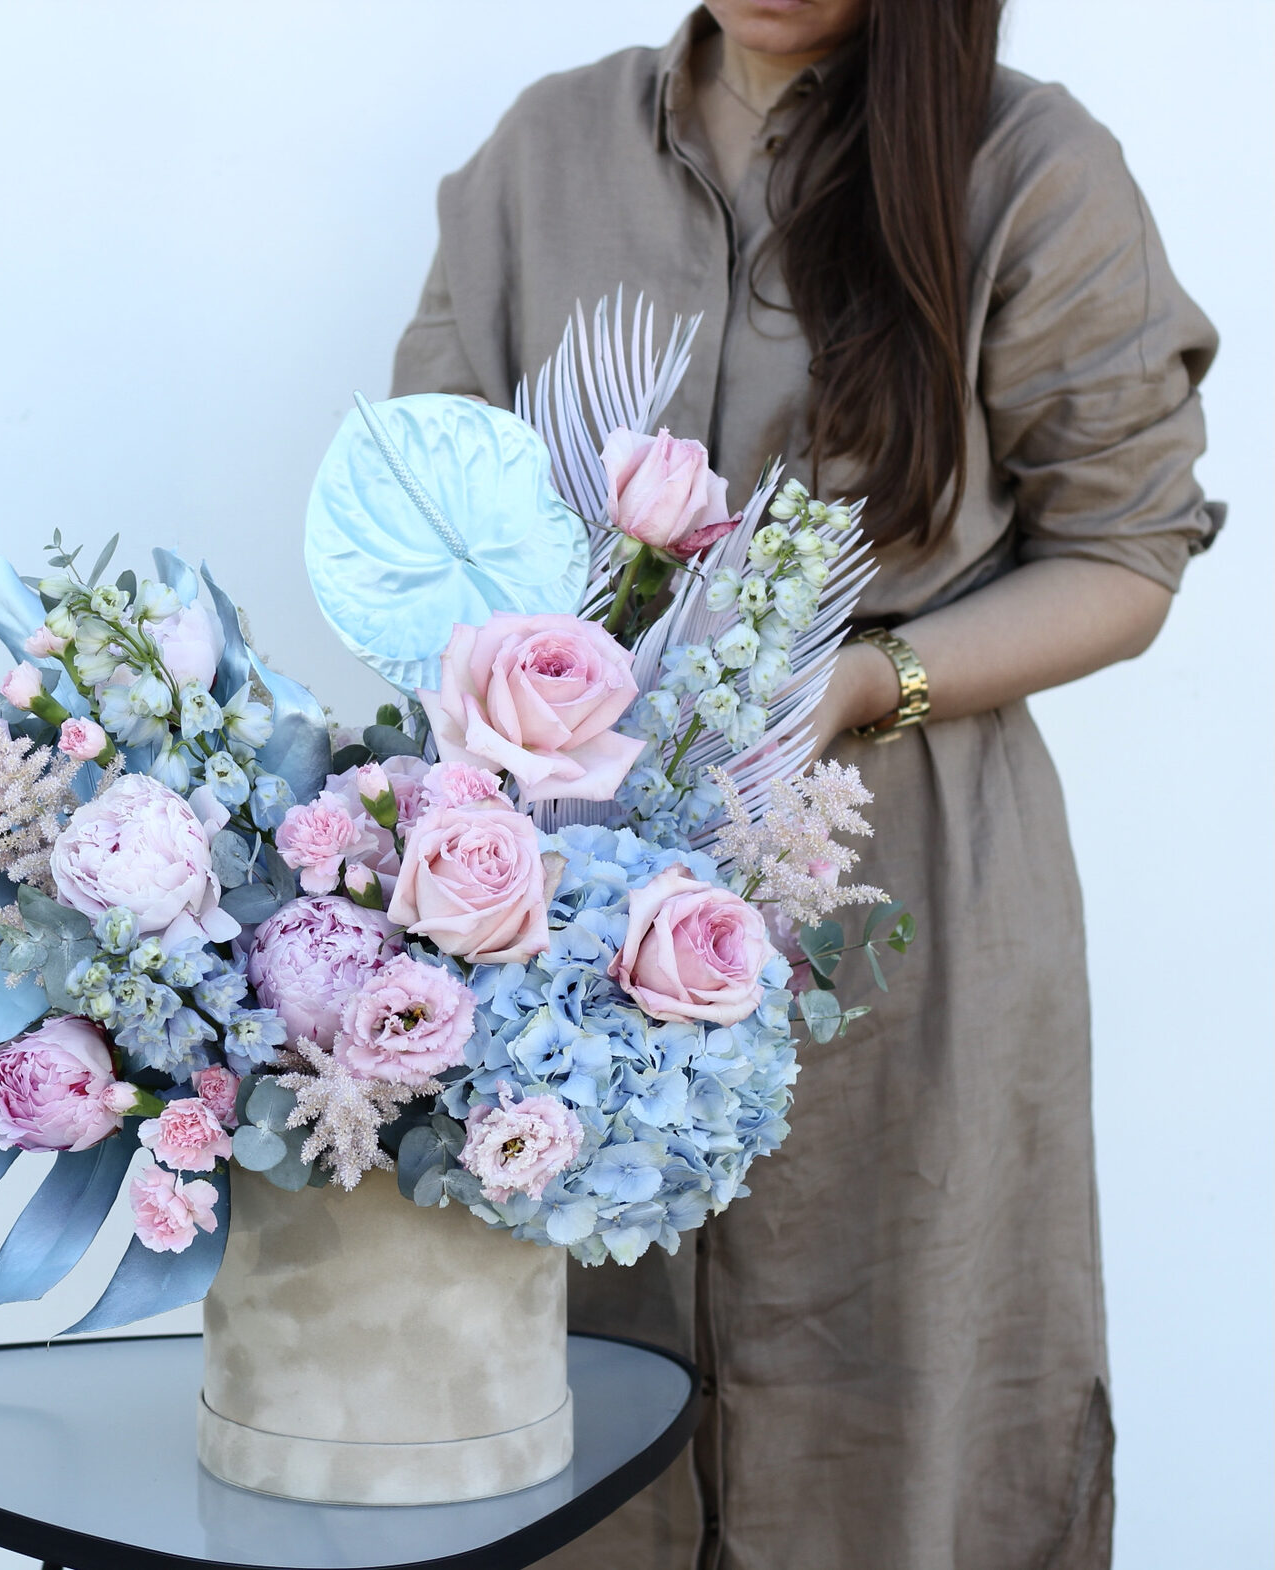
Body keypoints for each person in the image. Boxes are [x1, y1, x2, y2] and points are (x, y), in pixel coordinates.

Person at [389, 3, 1221, 1567]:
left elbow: (1125, 554)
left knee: (899, 1396)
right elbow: (425, 513)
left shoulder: (1028, 168)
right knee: (570, 1400)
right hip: (563, 911)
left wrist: (858, 680)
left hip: (900, 896)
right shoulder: (541, 157)